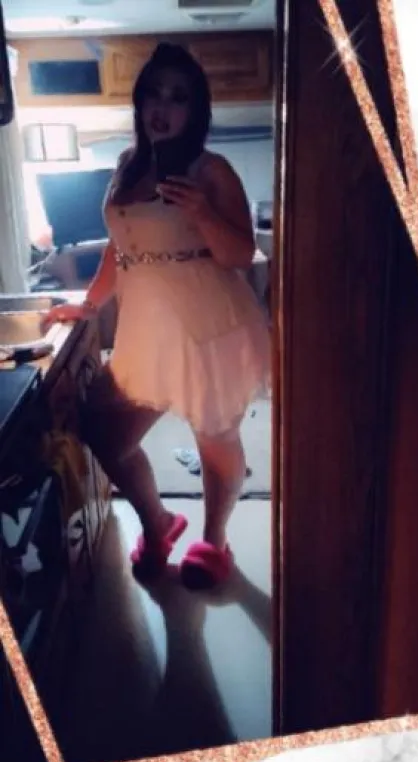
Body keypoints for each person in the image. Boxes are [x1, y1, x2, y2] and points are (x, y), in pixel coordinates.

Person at [44, 43, 271, 591]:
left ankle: (214, 541)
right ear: (140, 101)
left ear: (197, 109)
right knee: (106, 432)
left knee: (213, 436)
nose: (162, 107)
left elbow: (241, 254)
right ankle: (158, 522)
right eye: (153, 93)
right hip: (145, 328)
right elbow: (118, 248)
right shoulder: (128, 165)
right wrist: (89, 304)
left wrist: (201, 211)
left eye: (178, 96)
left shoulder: (210, 170)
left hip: (208, 325)